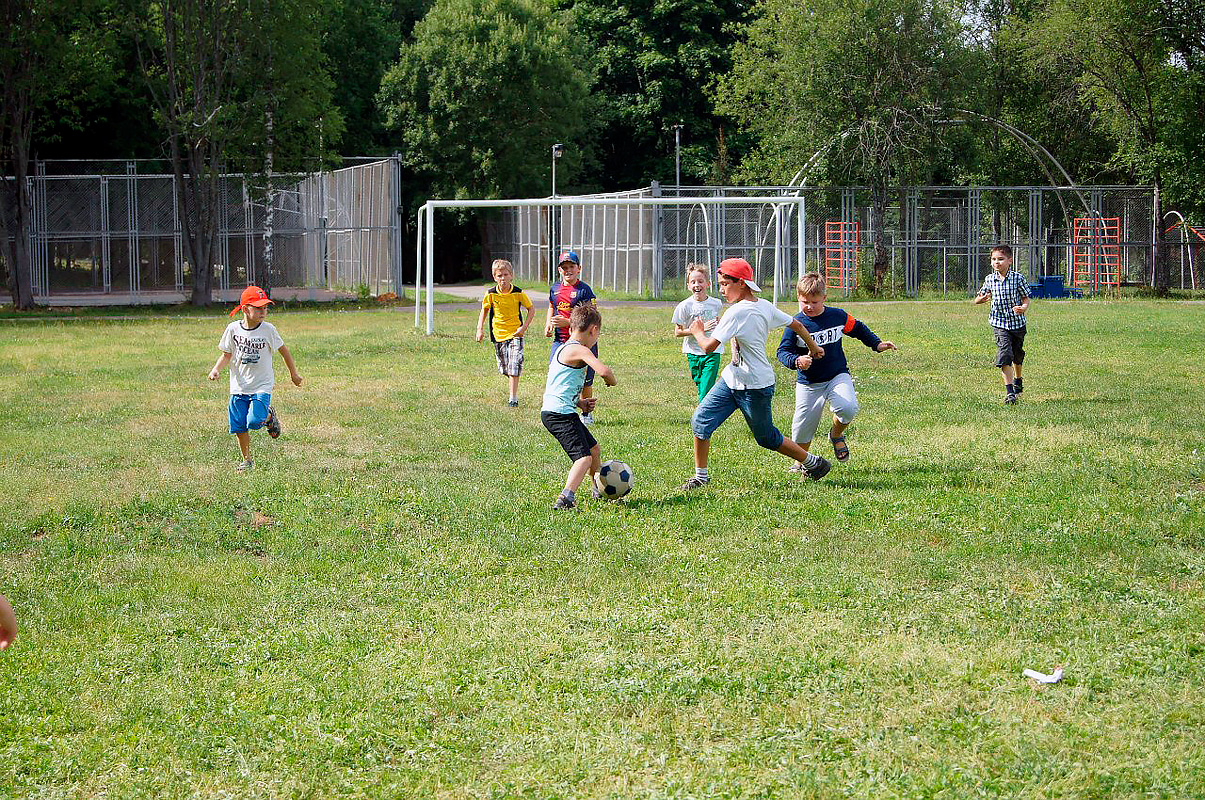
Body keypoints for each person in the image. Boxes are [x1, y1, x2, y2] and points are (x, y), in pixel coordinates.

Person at [679, 257, 831, 490]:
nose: (721, 290)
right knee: (700, 420)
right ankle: (701, 477)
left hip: (755, 385)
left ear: (741, 283)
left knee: (767, 438)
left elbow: (708, 347)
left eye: (725, 284)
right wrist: (814, 347)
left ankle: (814, 463)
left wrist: (697, 331)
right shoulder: (764, 305)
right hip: (732, 380)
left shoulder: (737, 312)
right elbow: (797, 325)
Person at [777, 272, 897, 469]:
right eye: (804, 302)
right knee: (802, 429)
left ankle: (836, 434)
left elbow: (858, 329)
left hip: (836, 376)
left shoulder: (837, 316)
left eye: (814, 302)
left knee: (848, 408)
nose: (809, 306)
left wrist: (877, 344)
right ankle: (800, 463)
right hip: (809, 383)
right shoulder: (796, 324)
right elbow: (783, 351)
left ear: (824, 297)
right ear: (798, 297)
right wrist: (797, 361)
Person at [208, 285, 303, 471]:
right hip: (238, 386)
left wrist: (294, 374)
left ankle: (268, 416)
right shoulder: (233, 329)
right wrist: (216, 369)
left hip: (261, 386)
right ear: (245, 309)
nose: (263, 312)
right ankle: (247, 461)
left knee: (254, 421)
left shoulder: (268, 330)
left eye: (265, 308)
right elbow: (226, 354)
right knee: (239, 426)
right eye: (258, 308)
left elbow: (284, 351)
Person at [541, 305, 617, 510]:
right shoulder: (580, 350)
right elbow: (604, 371)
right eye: (597, 334)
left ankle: (597, 490)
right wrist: (611, 380)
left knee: (594, 450)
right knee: (583, 458)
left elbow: (561, 387)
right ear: (593, 330)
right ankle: (566, 498)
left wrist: (580, 403)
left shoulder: (564, 348)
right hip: (559, 414)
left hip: (559, 410)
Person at [544, 250, 599, 424]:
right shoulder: (555, 289)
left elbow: (592, 317)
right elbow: (551, 307)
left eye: (571, 266)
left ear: (579, 268)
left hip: (582, 343)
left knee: (585, 380)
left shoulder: (584, 290)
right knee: (557, 374)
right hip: (560, 341)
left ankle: (586, 414)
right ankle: (561, 409)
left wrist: (567, 322)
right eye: (564, 267)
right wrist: (548, 323)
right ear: (559, 270)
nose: (568, 270)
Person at [973, 244, 1031, 404]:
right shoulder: (989, 279)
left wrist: (1023, 307)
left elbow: (1026, 298)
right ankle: (1010, 393)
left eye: (1000, 259)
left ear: (1009, 260)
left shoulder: (1018, 278)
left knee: (1017, 355)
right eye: (993, 259)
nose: (996, 262)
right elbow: (977, 299)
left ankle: (1018, 379)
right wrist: (981, 299)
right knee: (1005, 355)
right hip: (999, 324)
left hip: (1017, 324)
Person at [475, 259, 535, 406]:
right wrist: (479, 329)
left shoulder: (518, 292)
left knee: (514, 365)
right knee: (504, 369)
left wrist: (523, 328)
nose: (503, 278)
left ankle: (513, 399)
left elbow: (531, 309)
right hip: (498, 334)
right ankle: (513, 379)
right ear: (494, 277)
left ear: (511, 276)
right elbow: (485, 310)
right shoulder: (491, 294)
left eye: (506, 275)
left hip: (516, 334)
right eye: (499, 275)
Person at [671, 264, 724, 402]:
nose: (697, 285)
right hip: (693, 351)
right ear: (688, 286)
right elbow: (678, 332)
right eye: (693, 282)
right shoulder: (684, 306)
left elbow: (718, 322)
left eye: (700, 281)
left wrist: (720, 324)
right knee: (700, 382)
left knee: (706, 387)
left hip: (713, 351)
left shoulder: (716, 303)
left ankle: (703, 411)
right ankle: (705, 407)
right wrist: (699, 330)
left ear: (708, 284)